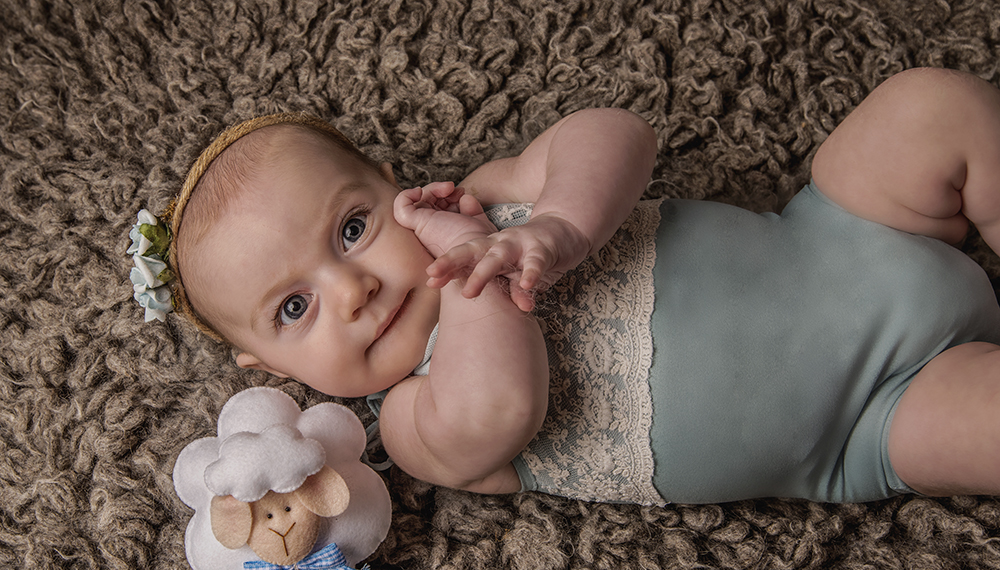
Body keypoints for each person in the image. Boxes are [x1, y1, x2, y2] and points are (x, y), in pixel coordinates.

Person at [131, 67, 1000, 505]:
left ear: (390, 180)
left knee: (933, 104)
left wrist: (559, 224)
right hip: (870, 420)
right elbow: (501, 408)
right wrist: (476, 258)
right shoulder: (409, 419)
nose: (353, 287)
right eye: (296, 307)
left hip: (847, 224)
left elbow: (616, 131)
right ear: (265, 365)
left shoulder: (492, 191)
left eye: (352, 228)